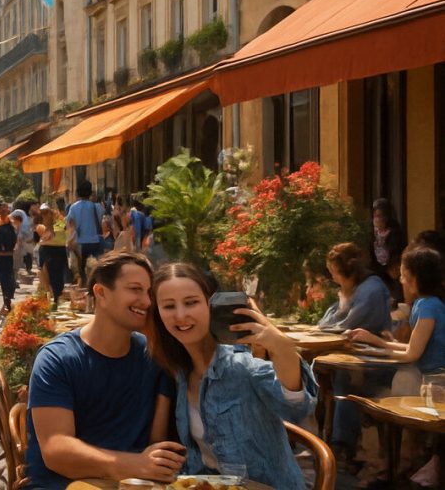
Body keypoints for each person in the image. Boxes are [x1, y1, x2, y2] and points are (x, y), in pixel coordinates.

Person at [146, 263, 316, 488]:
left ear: (210, 305)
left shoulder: (241, 365)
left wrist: (282, 348)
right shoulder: (180, 374)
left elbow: (298, 406)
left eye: (191, 302)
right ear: (158, 314)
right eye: (168, 306)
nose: (180, 315)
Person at [24, 251, 182, 489]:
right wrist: (136, 464)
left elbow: (158, 441)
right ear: (101, 293)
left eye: (149, 293)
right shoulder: (58, 359)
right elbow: (56, 450)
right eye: (135, 289)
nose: (147, 302)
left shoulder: (153, 356)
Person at [347, 246, 445, 388]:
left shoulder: (428, 307)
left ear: (414, 278)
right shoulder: (424, 303)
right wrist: (376, 341)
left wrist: (376, 354)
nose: (401, 280)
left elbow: (412, 355)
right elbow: (413, 348)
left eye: (403, 275)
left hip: (437, 382)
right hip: (428, 376)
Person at [317, 242, 393, 333]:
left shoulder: (370, 289)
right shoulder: (355, 288)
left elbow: (344, 326)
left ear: (348, 271)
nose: (333, 278)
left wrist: (343, 307)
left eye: (333, 272)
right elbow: (323, 323)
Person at [66, 181, 106, 286]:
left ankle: (84, 289)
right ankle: (97, 286)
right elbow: (101, 219)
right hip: (96, 241)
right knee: (98, 268)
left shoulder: (73, 207)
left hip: (80, 243)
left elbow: (69, 224)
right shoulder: (97, 207)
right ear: (90, 193)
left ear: (78, 193)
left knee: (81, 270)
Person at [369, 198, 408, 302]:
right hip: (377, 269)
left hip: (392, 269)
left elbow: (398, 250)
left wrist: (393, 266)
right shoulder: (371, 232)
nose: (379, 219)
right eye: (377, 216)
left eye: (382, 216)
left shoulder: (395, 232)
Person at [36, 206, 70, 305]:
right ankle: (52, 297)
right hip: (48, 250)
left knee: (57, 275)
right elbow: (44, 235)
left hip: (57, 250)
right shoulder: (42, 226)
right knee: (47, 275)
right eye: (42, 213)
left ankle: (56, 297)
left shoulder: (59, 222)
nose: (44, 215)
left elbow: (57, 232)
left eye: (46, 213)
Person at [0, 206, 19, 317]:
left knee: (5, 280)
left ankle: (7, 303)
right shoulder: (11, 226)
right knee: (8, 278)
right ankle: (7, 303)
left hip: (1, 257)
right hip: (9, 257)